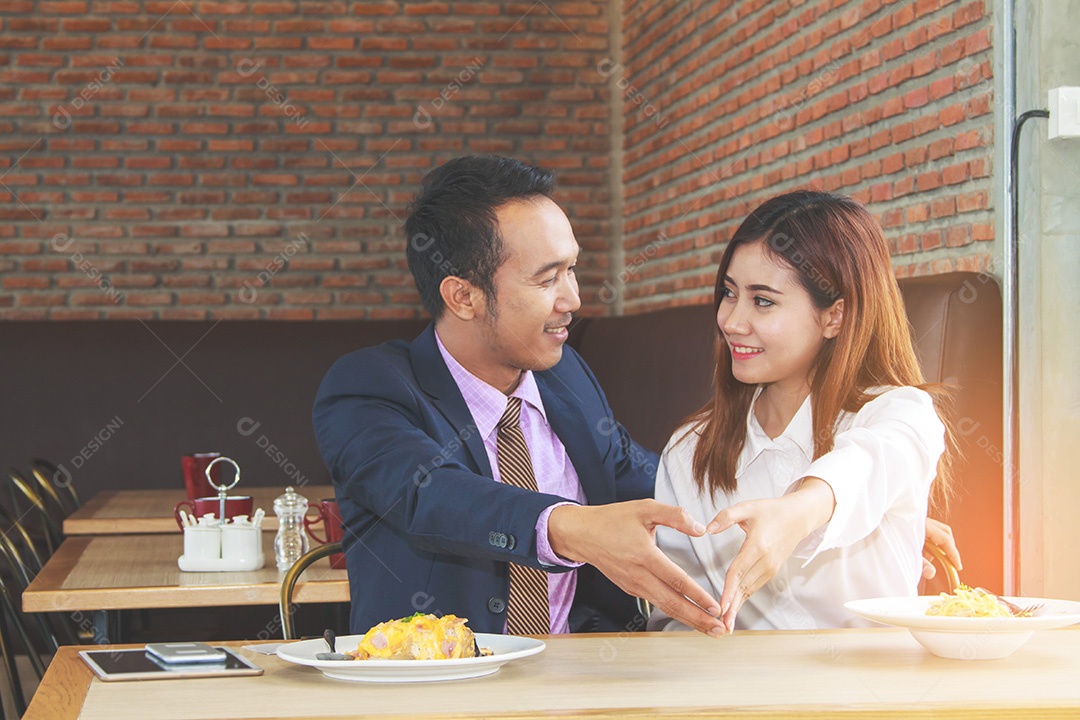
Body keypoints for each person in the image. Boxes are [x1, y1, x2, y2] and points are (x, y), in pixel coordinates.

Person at [313, 155, 727, 638]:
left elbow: (631, 470)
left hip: (585, 670)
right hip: (444, 678)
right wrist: (567, 528)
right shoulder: (368, 387)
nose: (572, 299)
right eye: (547, 279)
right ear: (463, 297)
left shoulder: (566, 373)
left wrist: (758, 500)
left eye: (572, 270)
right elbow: (431, 494)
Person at [649, 190, 958, 634]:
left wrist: (798, 512)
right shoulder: (689, 450)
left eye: (763, 301)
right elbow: (675, 622)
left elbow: (868, 461)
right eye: (729, 293)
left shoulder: (900, 412)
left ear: (835, 317)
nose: (731, 321)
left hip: (874, 679)